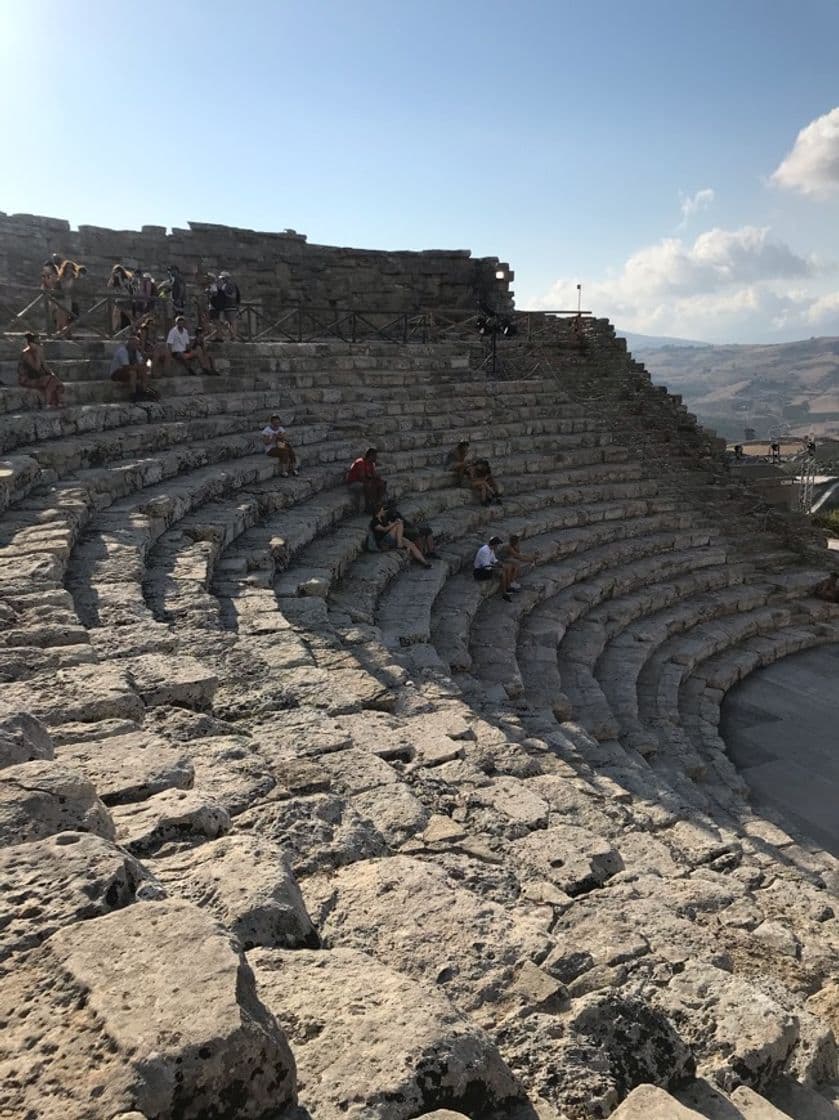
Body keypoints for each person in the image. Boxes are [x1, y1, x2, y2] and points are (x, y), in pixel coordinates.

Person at [17, 333, 64, 407]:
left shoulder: (38, 352)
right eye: (36, 343)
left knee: (56, 382)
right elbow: (36, 368)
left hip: (38, 377)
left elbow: (45, 366)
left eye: (39, 343)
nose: (39, 345)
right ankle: (50, 402)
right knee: (50, 381)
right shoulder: (26, 354)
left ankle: (58, 402)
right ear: (30, 344)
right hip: (27, 379)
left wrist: (53, 375)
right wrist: (38, 354)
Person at [109, 335, 158, 401]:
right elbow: (126, 367)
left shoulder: (136, 352)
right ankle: (133, 394)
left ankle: (144, 391)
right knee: (133, 373)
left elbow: (141, 364)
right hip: (117, 372)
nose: (137, 346)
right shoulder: (122, 351)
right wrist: (138, 367)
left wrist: (145, 359)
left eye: (137, 344)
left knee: (144, 372)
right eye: (135, 344)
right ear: (130, 344)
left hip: (130, 370)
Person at [473, 535, 517, 601]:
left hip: (487, 567)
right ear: (495, 545)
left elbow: (494, 560)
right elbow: (487, 566)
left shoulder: (491, 549)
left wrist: (501, 564)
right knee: (502, 573)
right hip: (480, 571)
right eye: (497, 545)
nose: (498, 546)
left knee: (507, 567)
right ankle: (504, 594)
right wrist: (499, 568)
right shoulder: (485, 551)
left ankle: (508, 587)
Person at [346, 448, 386, 512]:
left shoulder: (371, 464)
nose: (376, 458)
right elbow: (362, 477)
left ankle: (378, 503)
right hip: (354, 482)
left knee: (381, 484)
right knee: (368, 485)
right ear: (371, 455)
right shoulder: (360, 462)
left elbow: (374, 475)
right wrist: (372, 482)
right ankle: (368, 507)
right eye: (375, 456)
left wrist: (379, 480)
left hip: (363, 481)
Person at [218, 271, 241, 339]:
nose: (222, 280)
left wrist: (224, 295)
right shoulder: (224, 285)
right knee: (225, 322)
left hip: (231, 306)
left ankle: (233, 336)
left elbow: (233, 296)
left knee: (232, 321)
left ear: (226, 278)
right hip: (225, 306)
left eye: (223, 278)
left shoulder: (231, 285)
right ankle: (231, 335)